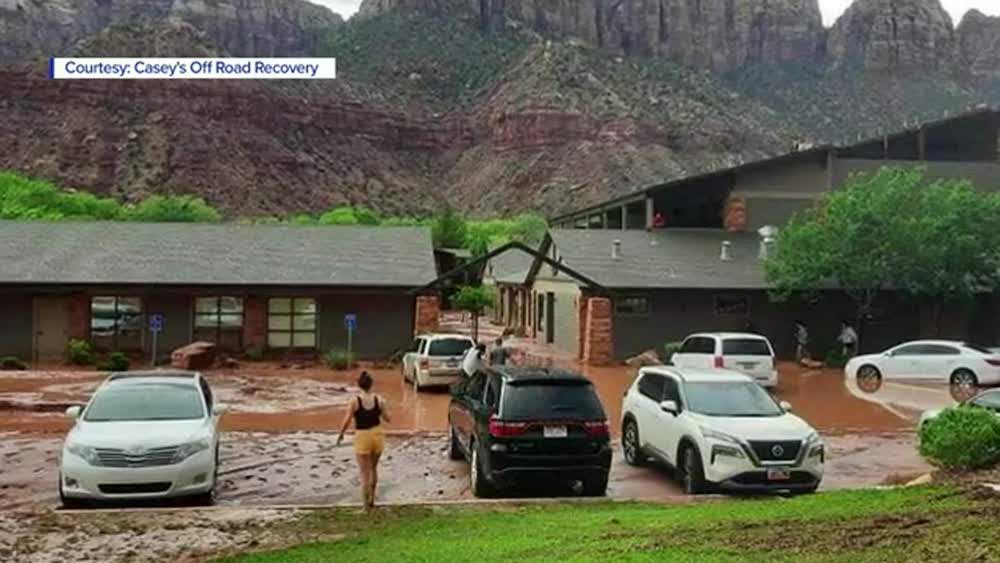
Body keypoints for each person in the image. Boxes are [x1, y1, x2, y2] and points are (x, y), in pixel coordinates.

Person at [337, 371, 391, 510]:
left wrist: (341, 434)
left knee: (364, 472)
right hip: (377, 435)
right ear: (371, 385)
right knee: (373, 468)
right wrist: (383, 409)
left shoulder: (355, 401)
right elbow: (388, 419)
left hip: (362, 436)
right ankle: (372, 499)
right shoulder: (379, 400)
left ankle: (365, 506)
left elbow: (347, 419)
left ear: (359, 385)